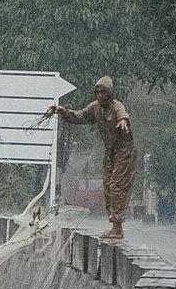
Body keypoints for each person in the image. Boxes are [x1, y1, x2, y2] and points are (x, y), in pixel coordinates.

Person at [47, 76, 136, 240]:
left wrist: (123, 121)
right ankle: (115, 225)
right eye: (97, 92)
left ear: (110, 94)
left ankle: (117, 227)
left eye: (103, 92)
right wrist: (63, 111)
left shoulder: (116, 106)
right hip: (110, 153)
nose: (100, 95)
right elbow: (79, 116)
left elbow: (122, 113)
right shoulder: (95, 108)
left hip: (124, 151)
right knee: (108, 187)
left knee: (117, 185)